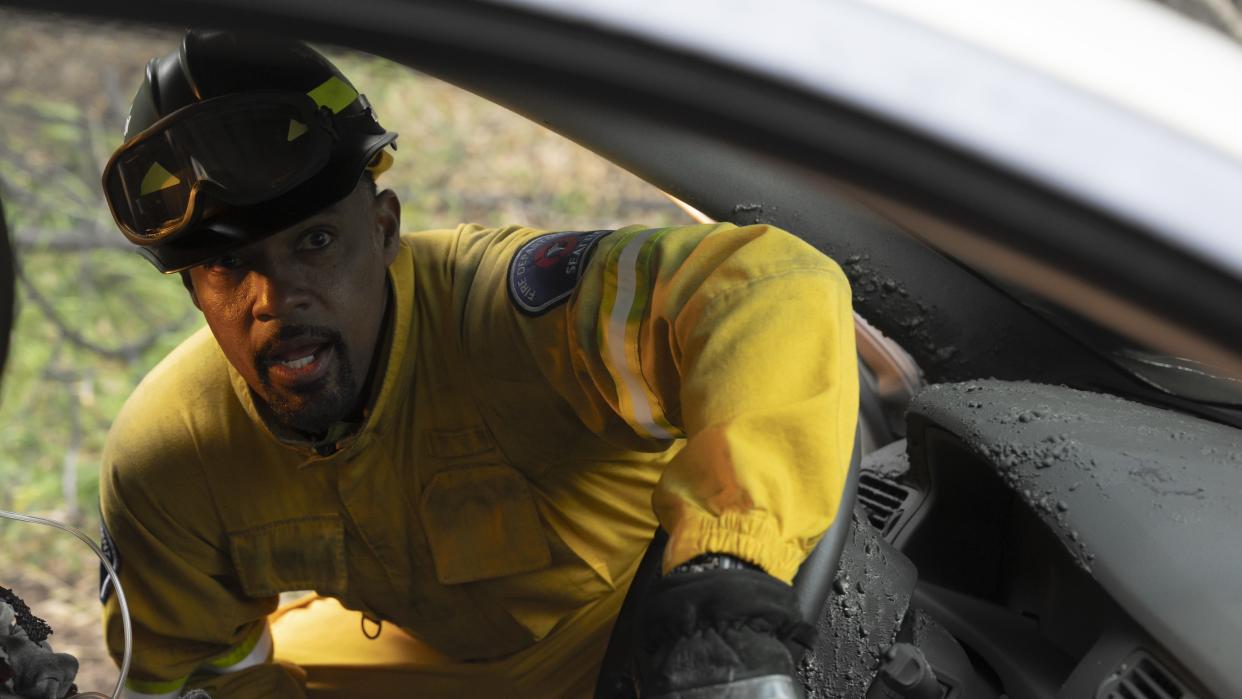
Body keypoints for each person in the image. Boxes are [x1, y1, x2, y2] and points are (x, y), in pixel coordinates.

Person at [97, 30, 858, 699]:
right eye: (229, 267)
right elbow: (189, 670)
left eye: (315, 243)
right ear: (196, 292)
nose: (274, 300)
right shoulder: (170, 458)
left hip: (646, 629)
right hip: (422, 663)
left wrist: (724, 574)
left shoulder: (510, 313)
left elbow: (766, 285)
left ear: (386, 228)